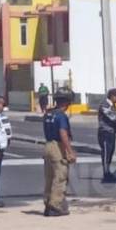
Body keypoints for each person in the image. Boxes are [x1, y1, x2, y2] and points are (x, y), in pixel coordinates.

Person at [43, 89, 77, 217]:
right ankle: (55, 205)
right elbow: (63, 134)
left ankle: (47, 203)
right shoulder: (61, 116)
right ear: (66, 102)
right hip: (57, 146)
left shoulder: (48, 114)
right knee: (60, 177)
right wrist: (70, 151)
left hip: (47, 145)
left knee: (49, 177)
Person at [97, 88, 116, 183]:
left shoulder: (112, 105)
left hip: (111, 132)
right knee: (106, 153)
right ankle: (106, 173)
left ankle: (108, 171)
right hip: (105, 133)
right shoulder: (105, 104)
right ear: (112, 96)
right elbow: (112, 117)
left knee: (110, 152)